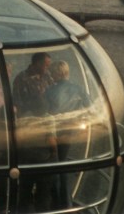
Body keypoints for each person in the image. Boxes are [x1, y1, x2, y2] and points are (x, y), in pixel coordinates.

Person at [46, 60, 90, 208]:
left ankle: (58, 201)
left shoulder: (50, 91)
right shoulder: (79, 88)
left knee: (55, 165)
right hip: (71, 132)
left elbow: (46, 112)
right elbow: (89, 108)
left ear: (58, 74)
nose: (51, 76)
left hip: (54, 132)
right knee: (62, 163)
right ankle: (65, 202)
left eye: (52, 73)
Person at [12, 52, 53, 117]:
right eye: (46, 66)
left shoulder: (47, 75)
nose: (48, 68)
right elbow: (17, 103)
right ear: (38, 64)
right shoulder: (21, 79)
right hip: (29, 117)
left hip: (47, 115)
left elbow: (53, 92)